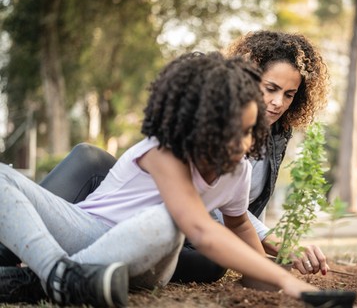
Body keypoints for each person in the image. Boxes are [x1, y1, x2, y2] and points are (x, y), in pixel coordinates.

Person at [0, 52, 318, 306]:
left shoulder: (239, 170)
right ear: (201, 120)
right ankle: (59, 276)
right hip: (87, 230)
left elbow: (237, 225)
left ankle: (48, 278)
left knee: (168, 218)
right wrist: (283, 280)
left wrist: (275, 271)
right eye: (235, 131)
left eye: (250, 132)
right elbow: (204, 230)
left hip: (148, 259)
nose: (246, 143)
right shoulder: (163, 151)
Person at [170, 30, 330, 284]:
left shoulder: (278, 132)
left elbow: (250, 204)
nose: (278, 102)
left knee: (212, 265)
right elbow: (213, 201)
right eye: (271, 88)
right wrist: (276, 243)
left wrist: (273, 256)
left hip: (201, 236)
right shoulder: (215, 121)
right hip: (169, 216)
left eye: (289, 94)